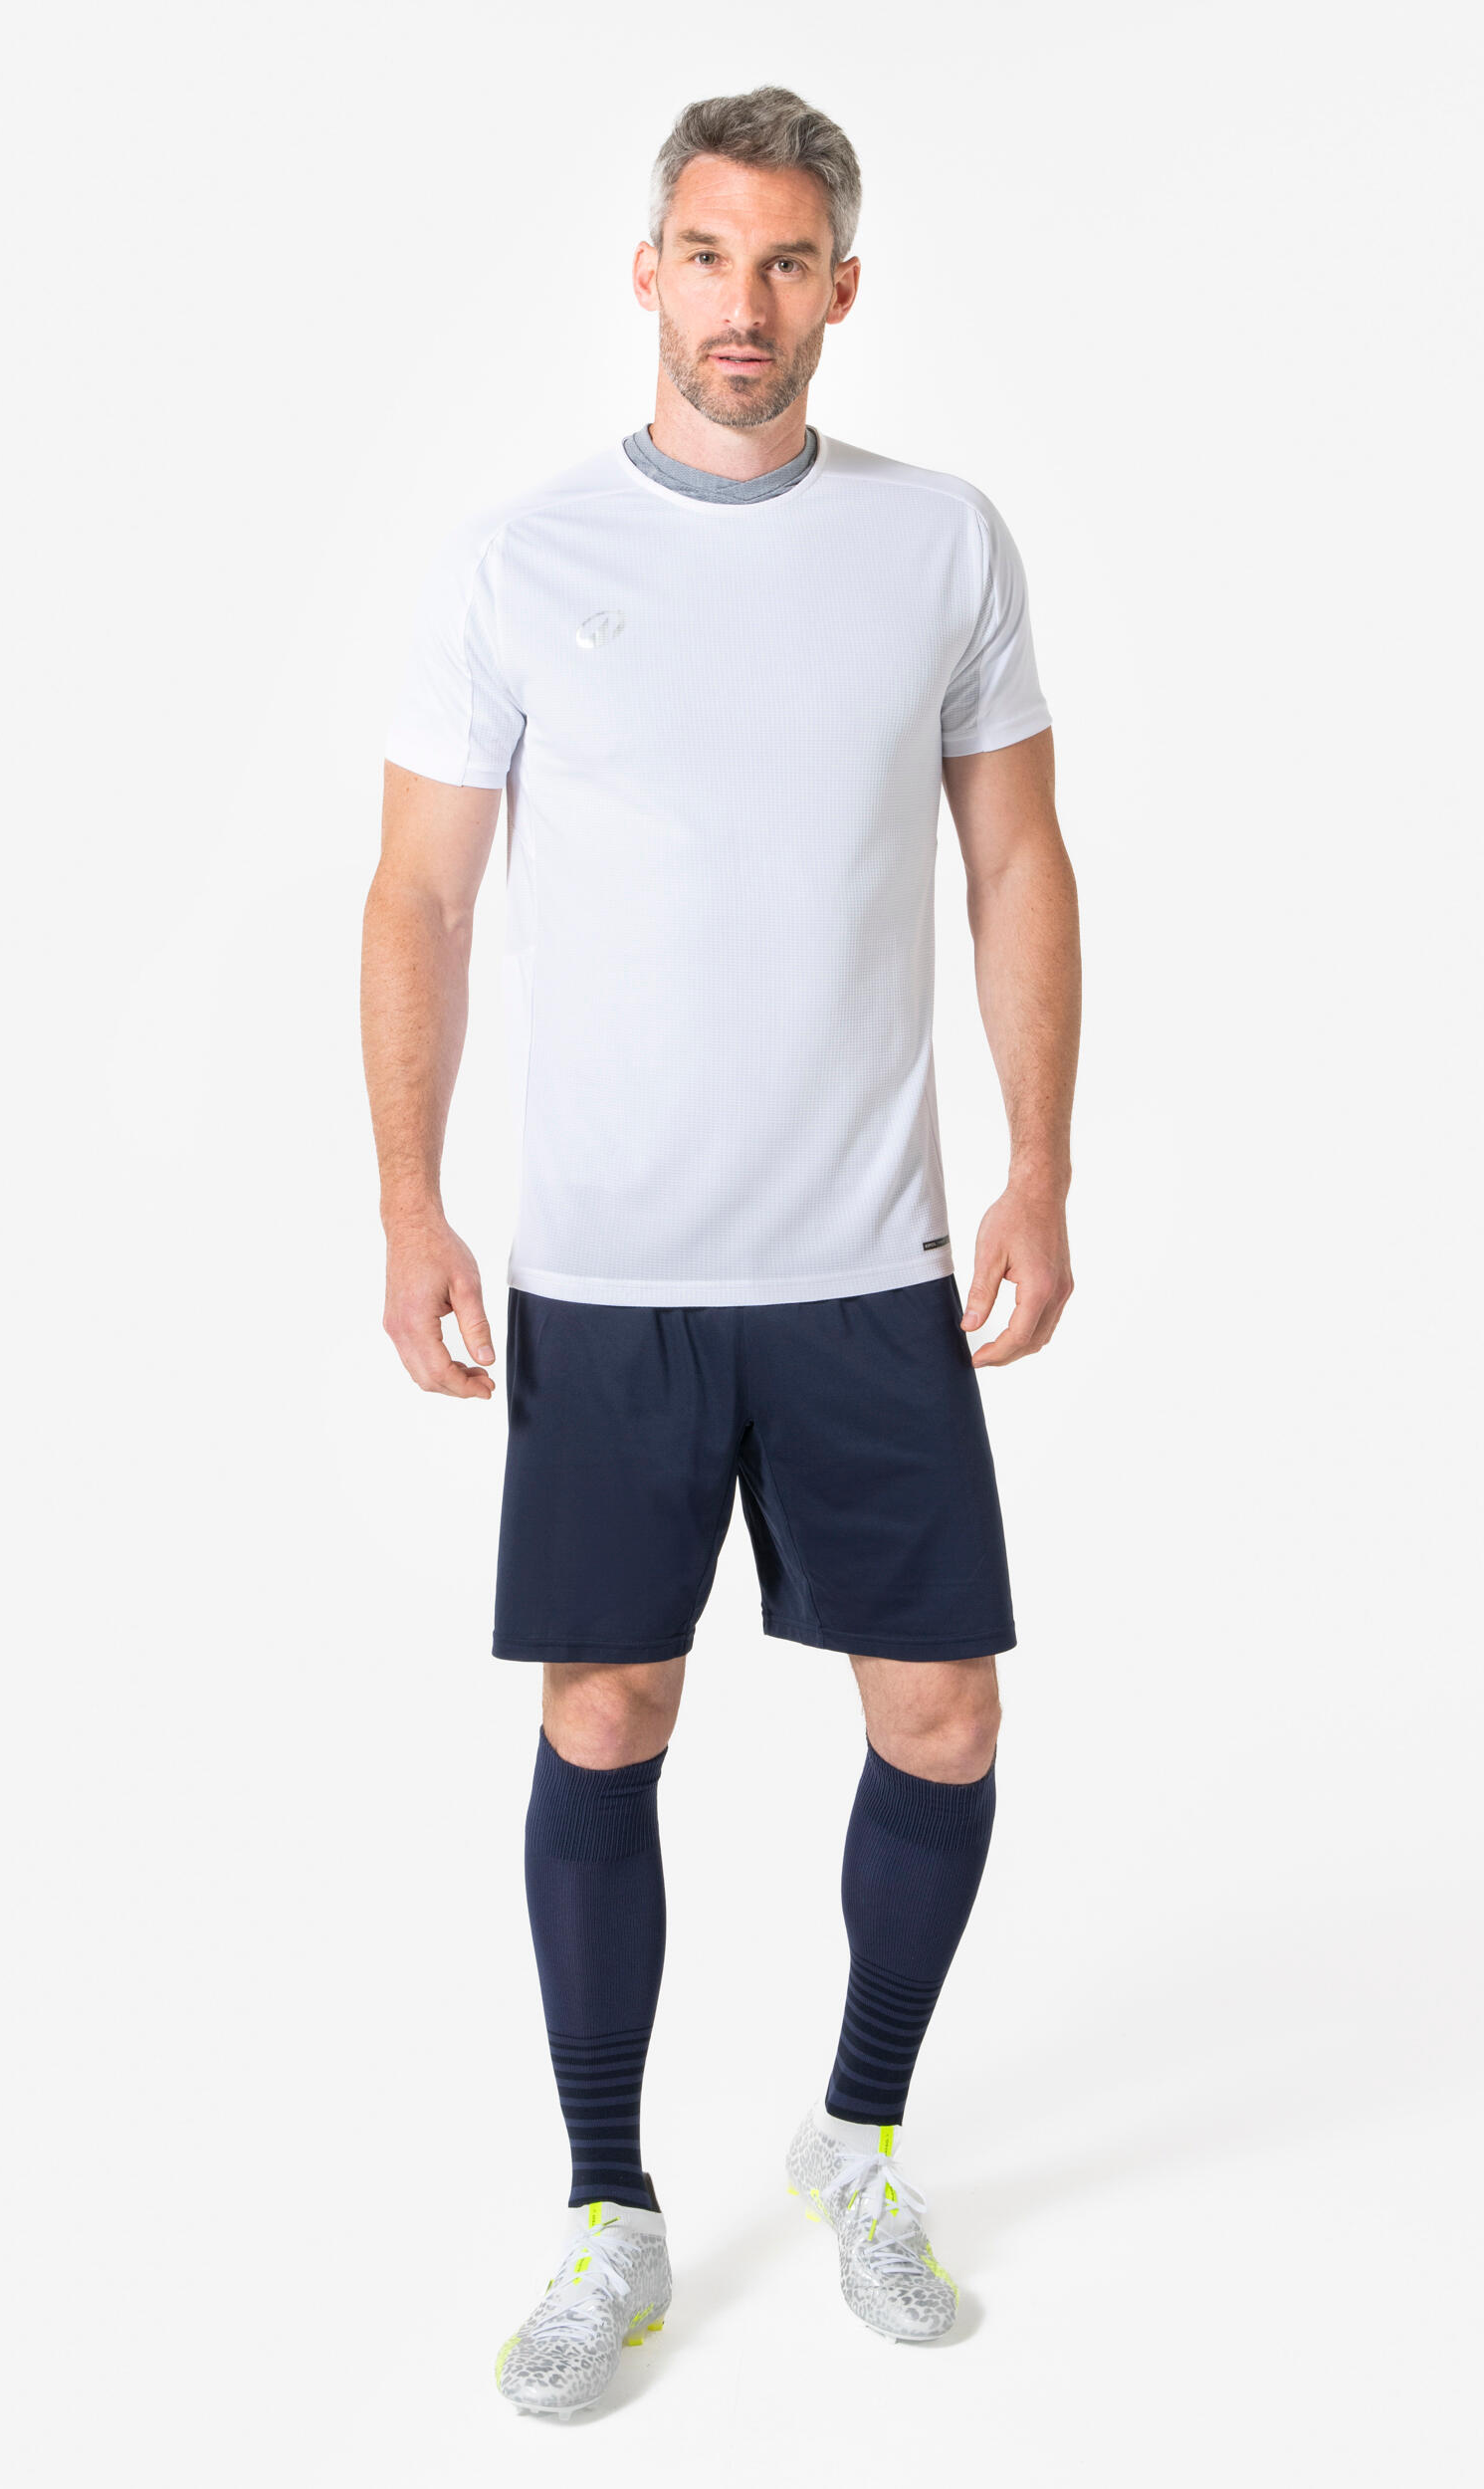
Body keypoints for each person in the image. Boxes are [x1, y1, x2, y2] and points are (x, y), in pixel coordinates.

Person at [360, 85, 1080, 2419]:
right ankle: (608, 2204)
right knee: (604, 1713)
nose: (739, 305)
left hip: (865, 1259)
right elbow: (420, 894)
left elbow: (1014, 862)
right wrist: (407, 1199)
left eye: (782, 262)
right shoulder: (516, 558)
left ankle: (856, 2132)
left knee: (942, 1717)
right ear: (644, 273)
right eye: (703, 255)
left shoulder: (938, 544)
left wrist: (1038, 1165)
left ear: (841, 287)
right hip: (611, 1272)